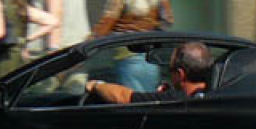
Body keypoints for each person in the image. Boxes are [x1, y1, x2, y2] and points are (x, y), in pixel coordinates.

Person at [91, 0, 174, 91]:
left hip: (127, 58)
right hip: (151, 60)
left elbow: (103, 29)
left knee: (131, 106)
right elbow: (168, 19)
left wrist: (85, 43)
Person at [85, 41, 213, 104]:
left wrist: (96, 85)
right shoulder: (216, 95)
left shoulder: (174, 100)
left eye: (170, 70)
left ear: (180, 74)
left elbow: (124, 97)